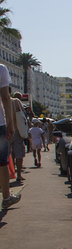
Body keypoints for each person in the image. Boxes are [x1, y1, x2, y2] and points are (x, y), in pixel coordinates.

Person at [0, 64, 21, 209]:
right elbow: (6, 98)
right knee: (2, 163)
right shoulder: (1, 69)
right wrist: (10, 124)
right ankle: (6, 197)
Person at [10, 92, 26, 181]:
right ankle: (19, 174)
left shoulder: (3, 102)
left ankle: (9, 174)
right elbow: (23, 114)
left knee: (6, 154)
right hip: (17, 130)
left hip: (5, 131)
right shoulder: (16, 102)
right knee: (19, 154)